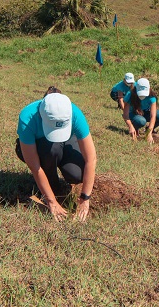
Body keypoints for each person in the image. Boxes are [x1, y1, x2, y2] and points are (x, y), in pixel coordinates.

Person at [15, 88, 97, 221]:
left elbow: (91, 159)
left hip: (66, 142)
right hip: (40, 146)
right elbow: (35, 167)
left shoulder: (74, 113)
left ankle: (56, 177)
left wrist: (85, 198)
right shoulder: (28, 117)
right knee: (52, 150)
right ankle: (51, 183)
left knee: (77, 174)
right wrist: (51, 201)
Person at [123, 77, 159, 145]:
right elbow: (125, 115)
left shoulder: (152, 96)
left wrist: (149, 132)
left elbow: (153, 116)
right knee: (141, 121)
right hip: (133, 114)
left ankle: (148, 129)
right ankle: (135, 128)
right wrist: (130, 126)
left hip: (145, 113)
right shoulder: (130, 95)